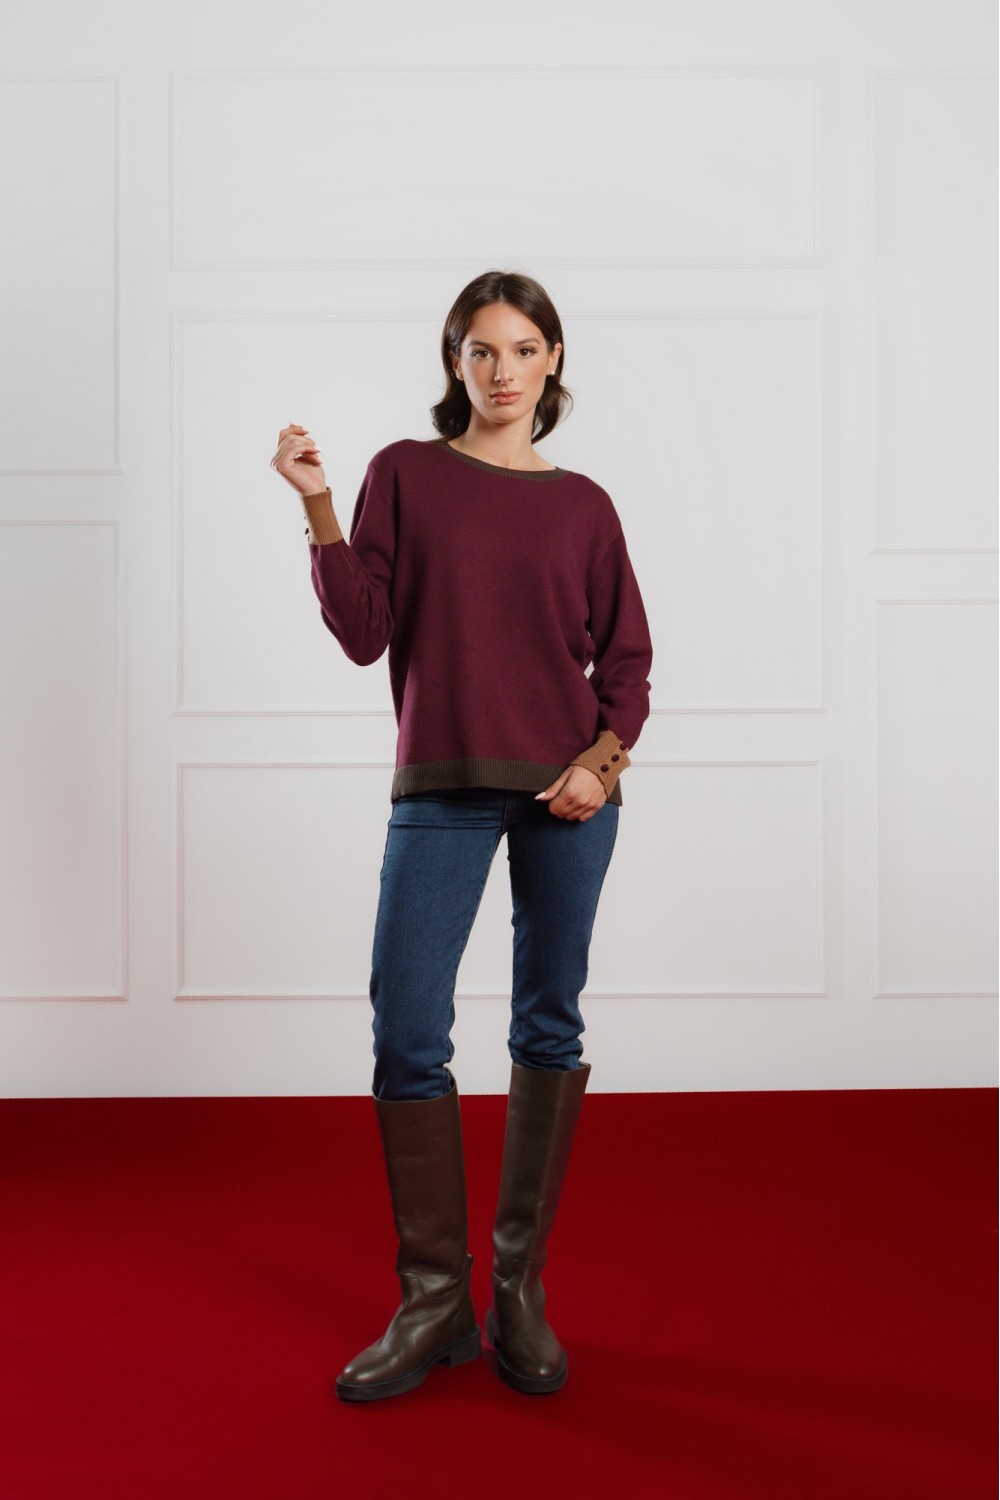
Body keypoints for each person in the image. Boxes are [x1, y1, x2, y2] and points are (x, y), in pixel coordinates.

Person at [270, 269, 653, 1403]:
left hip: (566, 795)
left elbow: (628, 663)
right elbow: (363, 631)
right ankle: (432, 1300)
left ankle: (517, 1294)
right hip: (439, 787)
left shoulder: (585, 506)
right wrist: (318, 504)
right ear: (455, 362)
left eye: (523, 349)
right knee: (407, 1031)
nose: (502, 370)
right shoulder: (405, 473)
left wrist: (599, 765)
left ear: (553, 361)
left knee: (548, 1027)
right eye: (480, 350)